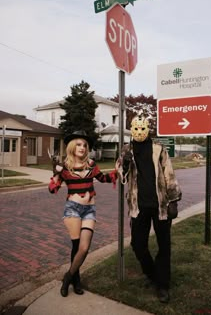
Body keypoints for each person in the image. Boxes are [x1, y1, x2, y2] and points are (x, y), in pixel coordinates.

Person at [117, 115, 182, 303]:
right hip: (138, 207)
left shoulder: (158, 148)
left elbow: (169, 173)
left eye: (142, 129)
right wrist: (126, 162)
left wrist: (174, 200)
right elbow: (121, 174)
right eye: (135, 129)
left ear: (148, 129)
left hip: (160, 205)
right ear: (131, 129)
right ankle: (153, 274)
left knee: (164, 246)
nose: (139, 132)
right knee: (138, 245)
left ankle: (162, 285)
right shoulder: (126, 150)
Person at [48, 130, 118, 297]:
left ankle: (68, 276)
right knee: (76, 246)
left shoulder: (92, 165)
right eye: (79, 144)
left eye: (85, 145)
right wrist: (56, 175)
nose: (82, 147)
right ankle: (76, 281)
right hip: (73, 209)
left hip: (89, 210)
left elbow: (103, 179)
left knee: (84, 248)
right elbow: (52, 189)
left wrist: (117, 171)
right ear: (72, 147)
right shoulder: (64, 167)